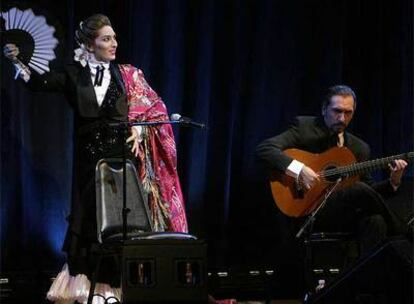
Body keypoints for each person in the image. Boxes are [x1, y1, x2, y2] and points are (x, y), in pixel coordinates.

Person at [4, 13, 188, 304]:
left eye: (114, 37)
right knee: (91, 223)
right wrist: (18, 61)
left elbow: (151, 108)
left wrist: (139, 131)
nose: (114, 43)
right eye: (106, 38)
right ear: (90, 45)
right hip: (90, 161)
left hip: (123, 159)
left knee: (123, 221)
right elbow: (40, 83)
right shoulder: (73, 73)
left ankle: (118, 288)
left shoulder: (127, 74)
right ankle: (94, 289)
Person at [256, 85, 408, 254]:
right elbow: (265, 149)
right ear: (324, 109)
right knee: (358, 189)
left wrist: (393, 181)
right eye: (337, 111)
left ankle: (363, 276)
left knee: (376, 220)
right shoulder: (304, 127)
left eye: (348, 113)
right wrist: (300, 169)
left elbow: (369, 192)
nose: (342, 118)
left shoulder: (359, 148)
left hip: (340, 214)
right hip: (307, 209)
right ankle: (405, 233)